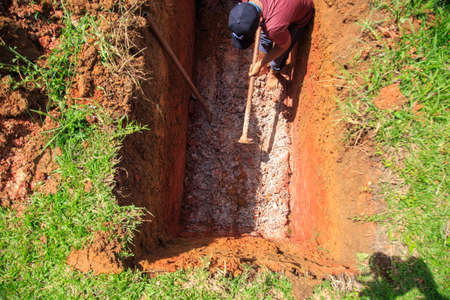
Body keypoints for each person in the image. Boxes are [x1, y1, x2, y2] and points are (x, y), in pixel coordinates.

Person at [228, 0, 314, 86]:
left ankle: (274, 72)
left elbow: (283, 46)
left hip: (302, 13)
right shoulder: (248, 3)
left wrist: (259, 64)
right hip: (281, 11)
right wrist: (261, 63)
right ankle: (264, 64)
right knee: (265, 36)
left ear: (260, 20)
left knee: (279, 56)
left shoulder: (273, 28)